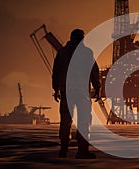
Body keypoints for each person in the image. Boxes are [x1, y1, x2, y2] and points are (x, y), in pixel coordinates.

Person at [52, 29, 100, 159]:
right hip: (82, 92)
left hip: (66, 91)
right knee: (83, 121)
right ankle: (82, 151)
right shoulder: (87, 52)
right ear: (82, 39)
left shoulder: (62, 53)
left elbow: (56, 72)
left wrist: (55, 89)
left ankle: (63, 150)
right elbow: (94, 71)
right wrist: (98, 88)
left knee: (65, 121)